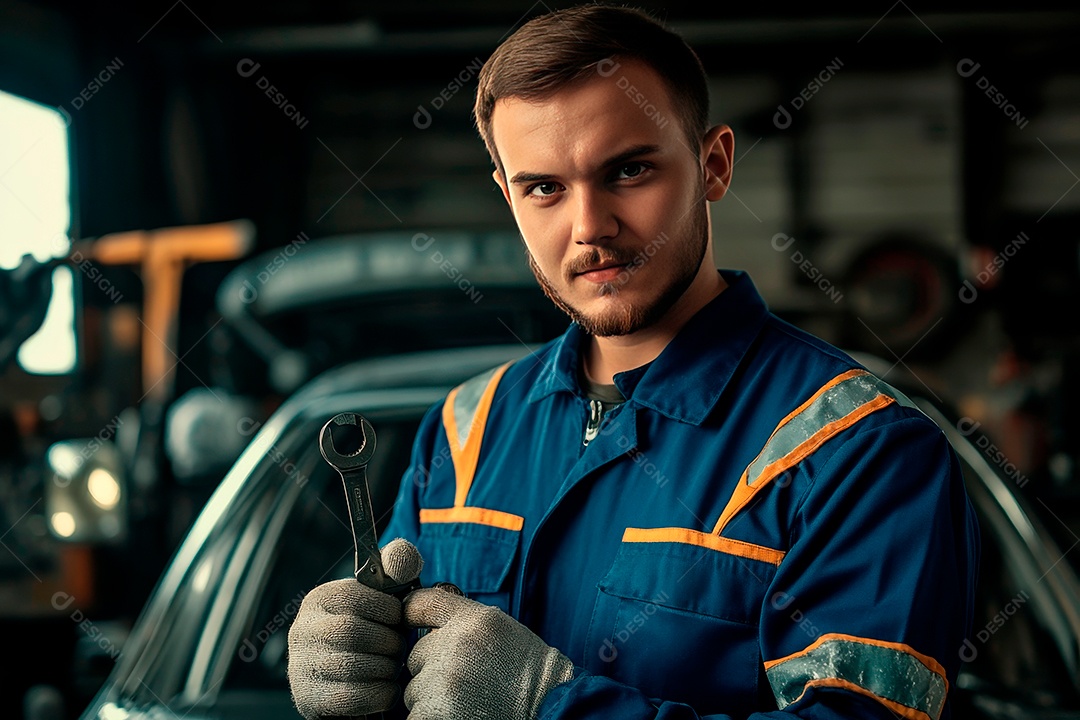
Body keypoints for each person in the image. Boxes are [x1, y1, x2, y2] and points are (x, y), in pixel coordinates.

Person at [286, 5, 980, 719]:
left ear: (713, 165)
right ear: (508, 195)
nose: (590, 227)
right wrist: (351, 671)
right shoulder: (460, 436)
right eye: (545, 187)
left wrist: (551, 707)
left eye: (629, 170)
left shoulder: (861, 453)